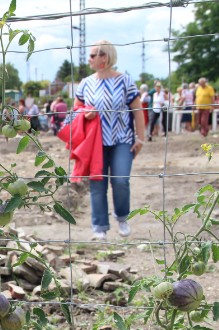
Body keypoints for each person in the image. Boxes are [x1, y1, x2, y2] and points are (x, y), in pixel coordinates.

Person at [74, 40, 145, 241]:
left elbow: (138, 110)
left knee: (121, 180)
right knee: (97, 185)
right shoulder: (85, 83)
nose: (89, 59)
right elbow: (76, 110)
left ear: (104, 57)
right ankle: (99, 227)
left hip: (122, 139)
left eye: (92, 55)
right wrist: (85, 113)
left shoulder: (125, 81)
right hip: (95, 142)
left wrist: (140, 138)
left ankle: (122, 217)